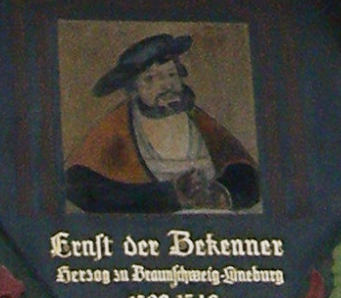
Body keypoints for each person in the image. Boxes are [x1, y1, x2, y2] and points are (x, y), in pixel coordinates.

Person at [65, 35, 259, 214]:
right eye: (150, 79)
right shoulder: (117, 125)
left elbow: (249, 176)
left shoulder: (199, 121)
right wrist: (169, 195)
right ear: (134, 90)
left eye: (172, 75)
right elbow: (77, 184)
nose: (166, 86)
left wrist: (220, 193)